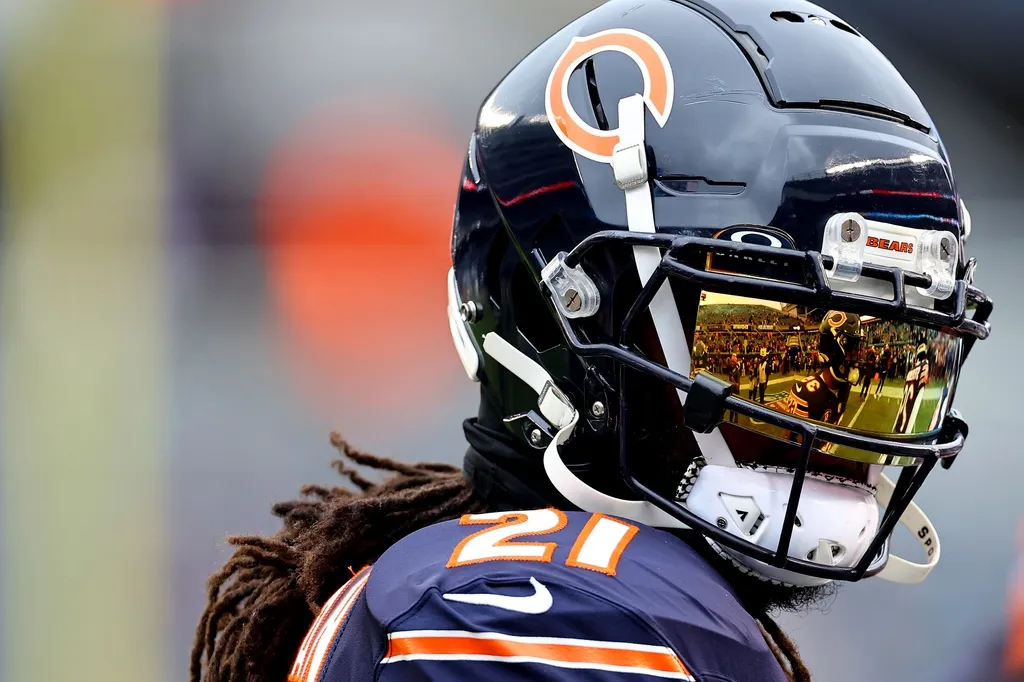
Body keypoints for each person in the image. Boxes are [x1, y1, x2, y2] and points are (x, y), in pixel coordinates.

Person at [190, 2, 994, 682]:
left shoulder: (634, 596)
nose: (833, 428)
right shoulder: (546, 611)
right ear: (562, 319)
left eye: (887, 364)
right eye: (772, 355)